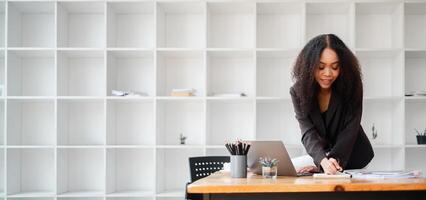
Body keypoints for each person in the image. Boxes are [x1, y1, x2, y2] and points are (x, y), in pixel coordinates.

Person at [290, 34, 374, 175]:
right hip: (324, 159)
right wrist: (322, 162)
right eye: (321, 67)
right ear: (309, 67)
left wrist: (326, 166)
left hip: (353, 157)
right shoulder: (298, 92)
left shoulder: (352, 86)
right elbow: (307, 132)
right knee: (289, 169)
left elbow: (350, 130)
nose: (328, 73)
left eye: (335, 67)